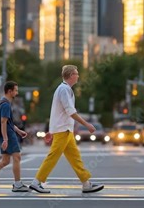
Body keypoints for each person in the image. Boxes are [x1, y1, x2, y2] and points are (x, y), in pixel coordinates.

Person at [29, 65, 104, 194]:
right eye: (76, 73)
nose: (78, 76)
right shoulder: (63, 89)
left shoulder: (65, 89)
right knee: (53, 156)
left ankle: (86, 184)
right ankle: (36, 183)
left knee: (75, 158)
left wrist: (50, 130)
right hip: (63, 130)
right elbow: (70, 112)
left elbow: (56, 112)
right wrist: (87, 124)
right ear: (70, 76)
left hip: (66, 130)